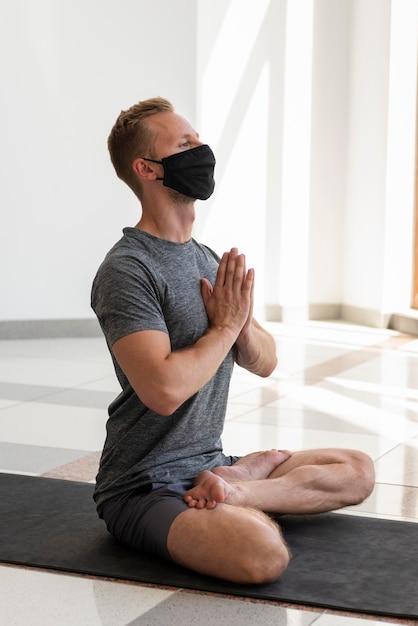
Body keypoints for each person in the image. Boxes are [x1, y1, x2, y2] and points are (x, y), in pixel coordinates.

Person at [91, 96, 375, 585]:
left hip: (214, 463)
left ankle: (237, 491)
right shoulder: (127, 269)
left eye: (199, 140)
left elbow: (265, 361)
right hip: (144, 484)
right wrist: (223, 327)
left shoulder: (209, 260)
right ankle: (239, 498)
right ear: (147, 168)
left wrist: (240, 323)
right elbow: (162, 391)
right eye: (185, 144)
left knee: (357, 469)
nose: (201, 150)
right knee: (262, 555)